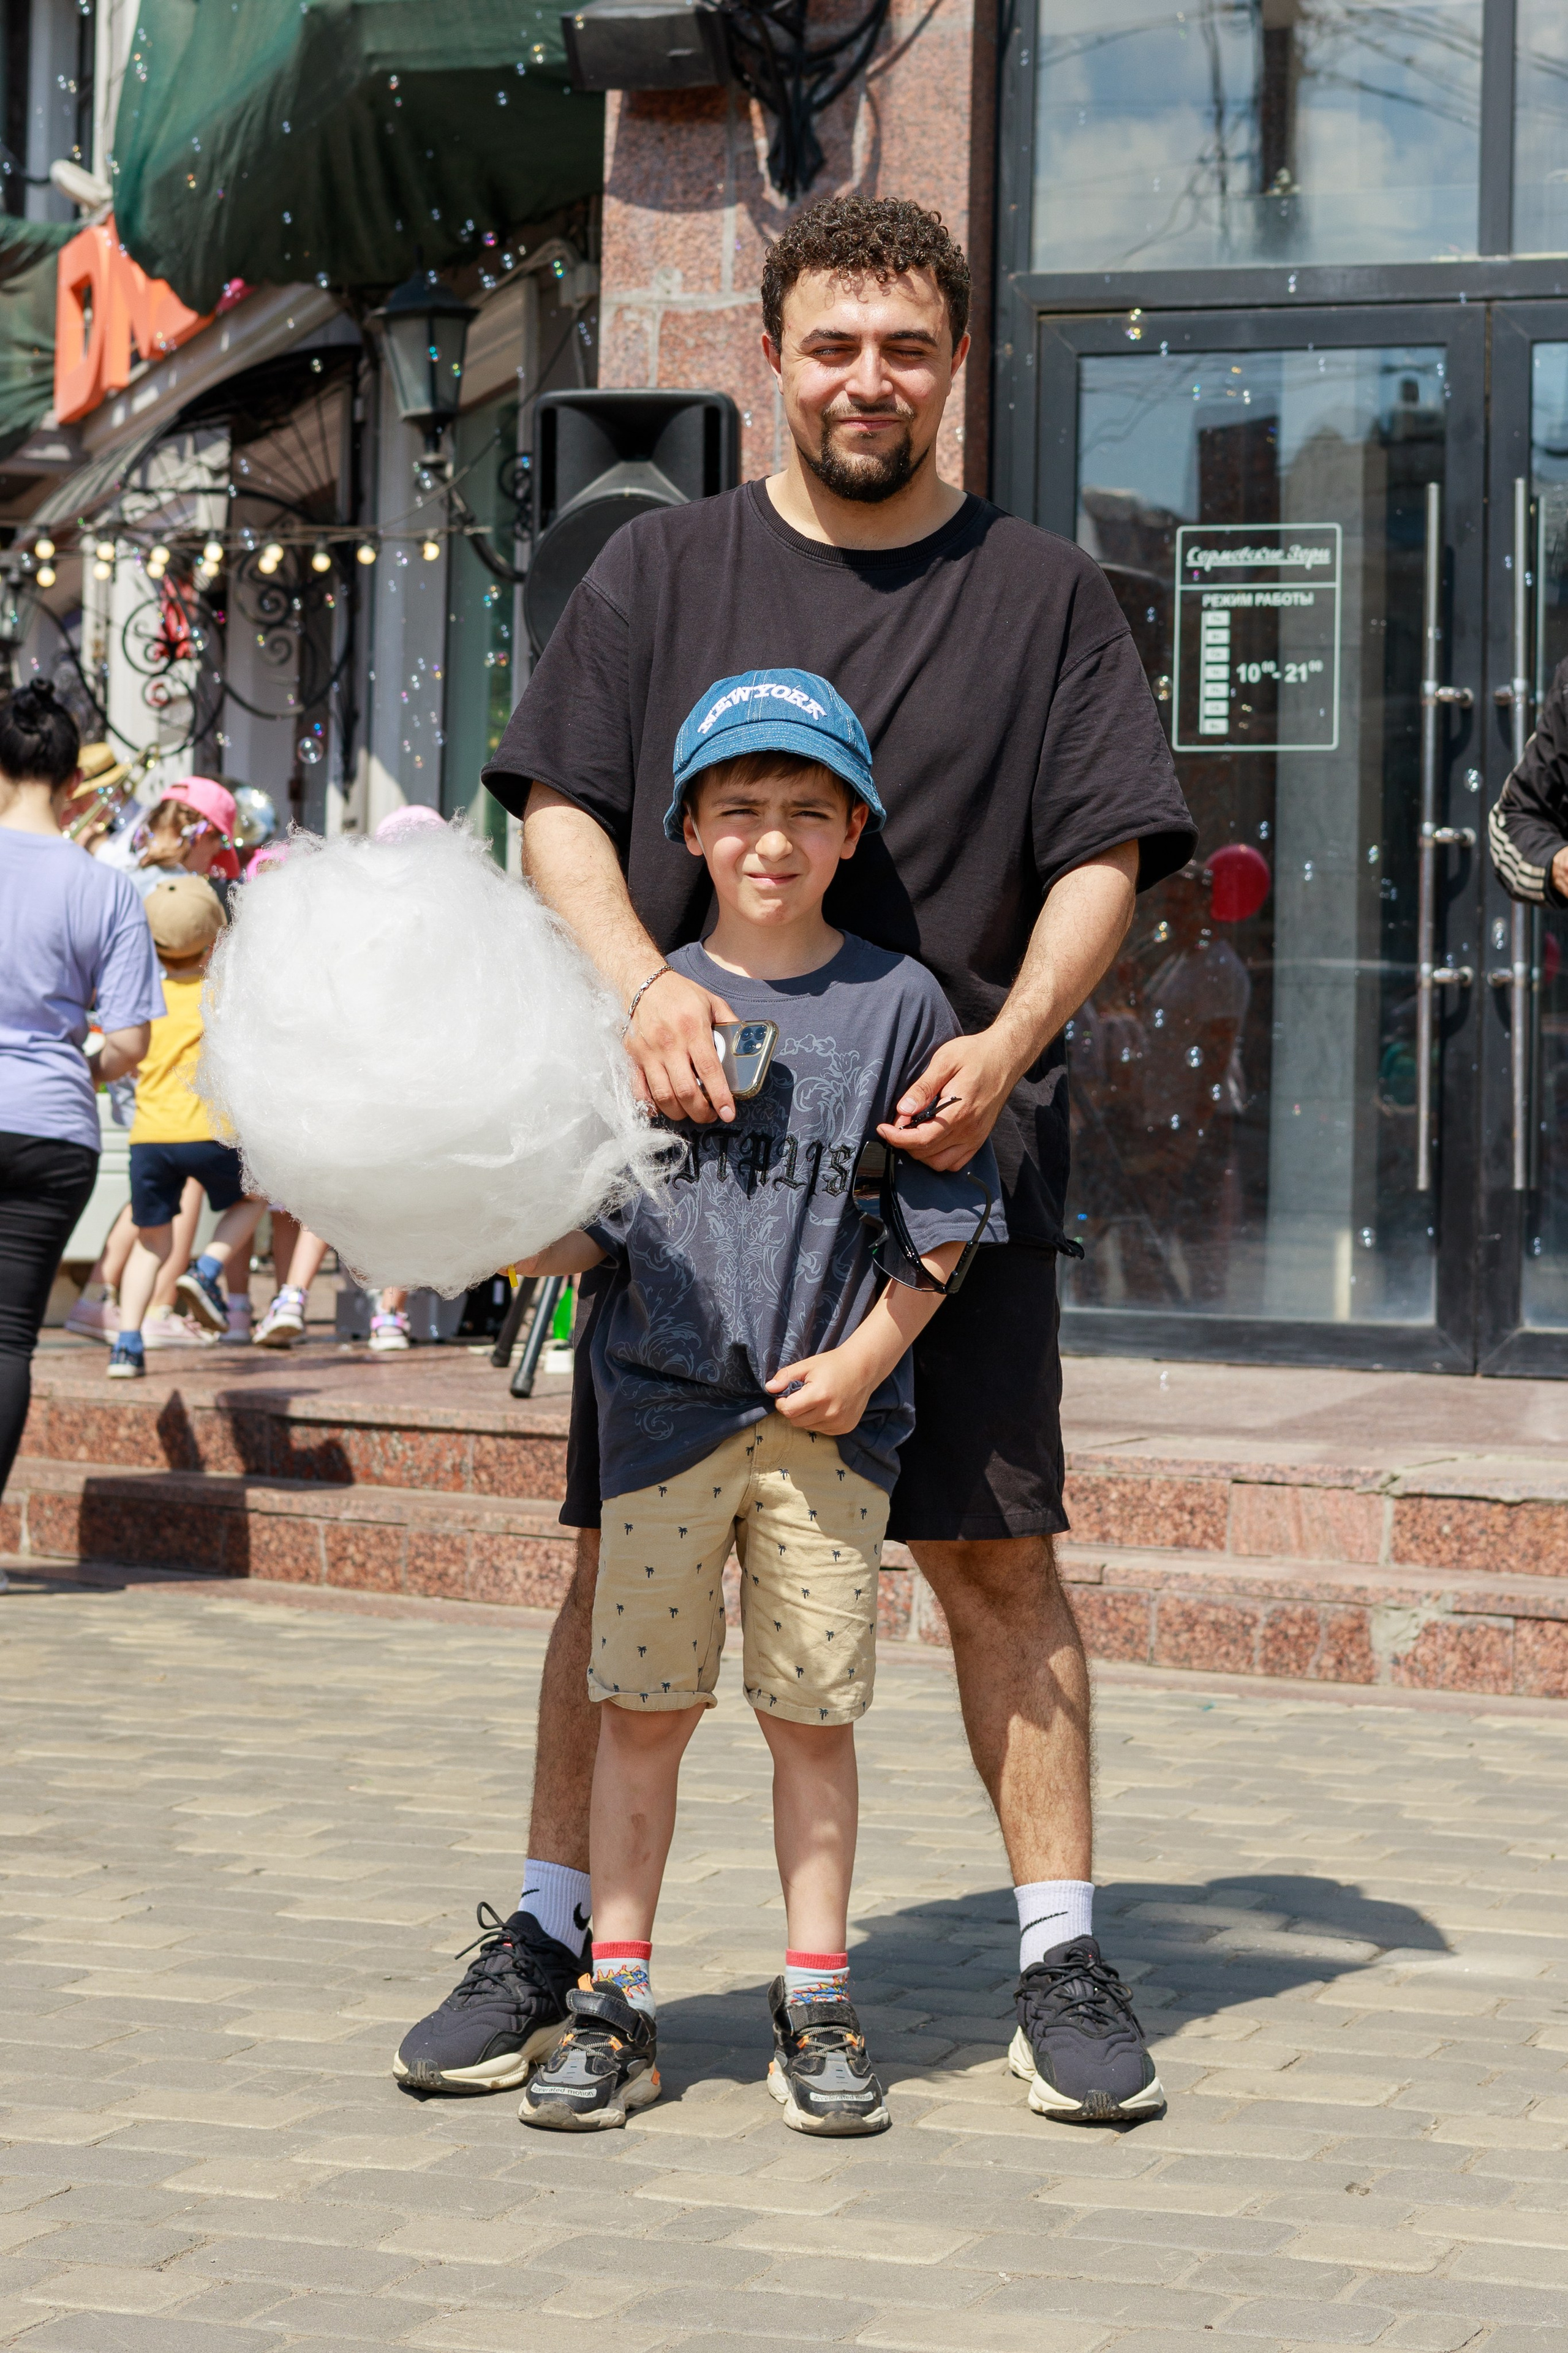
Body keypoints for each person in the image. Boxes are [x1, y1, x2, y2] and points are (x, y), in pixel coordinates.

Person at [398, 194, 1193, 2126]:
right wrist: (640, 991)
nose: (867, 379)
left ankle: (1058, 1951)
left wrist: (1010, 1042)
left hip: (947, 1159)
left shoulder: (1044, 595)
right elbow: (558, 810)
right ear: (772, 355)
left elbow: (1104, 851)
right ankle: (556, 1932)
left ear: (956, 362)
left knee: (998, 1556)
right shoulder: (661, 569)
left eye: (905, 346)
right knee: (620, 1559)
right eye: (832, 343)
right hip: (693, 1206)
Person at [447, 674, 997, 2132]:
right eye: (738, 808)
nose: (770, 839)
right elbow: (591, 1225)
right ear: (686, 827)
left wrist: (869, 1356)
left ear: (853, 830)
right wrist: (478, 1213)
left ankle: (814, 1994)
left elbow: (943, 1217)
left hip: (827, 1439)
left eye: (806, 810)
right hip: (657, 1424)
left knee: (811, 1721)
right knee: (641, 1717)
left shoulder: (900, 1002)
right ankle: (614, 1998)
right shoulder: (635, 1009)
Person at [0, 682, 162, 1536]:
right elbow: (129, 1043)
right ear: (74, 783)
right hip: (54, 1128)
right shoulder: (107, 890)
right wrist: (71, 1067)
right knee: (8, 1338)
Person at [107, 874, 263, 1379]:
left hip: (150, 1138)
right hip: (207, 1130)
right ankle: (208, 1268)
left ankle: (126, 1345)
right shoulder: (219, 993)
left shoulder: (144, 998)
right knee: (256, 1197)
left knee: (151, 1242)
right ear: (215, 938)